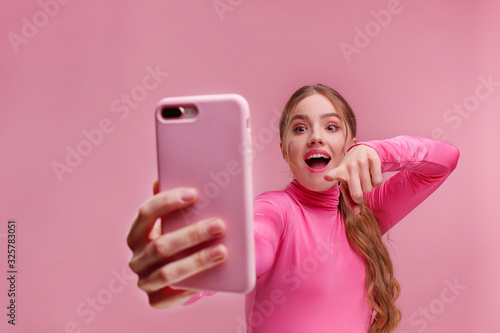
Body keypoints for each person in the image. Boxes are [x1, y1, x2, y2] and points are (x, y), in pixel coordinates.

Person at [127, 84, 460, 333]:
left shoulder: (365, 210)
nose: (315, 137)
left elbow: (445, 160)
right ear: (285, 150)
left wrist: (378, 152)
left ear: (349, 145)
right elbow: (251, 247)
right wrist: (183, 274)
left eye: (331, 127)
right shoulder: (275, 211)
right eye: (300, 128)